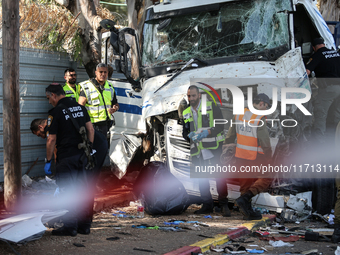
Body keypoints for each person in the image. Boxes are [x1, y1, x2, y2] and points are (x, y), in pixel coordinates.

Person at [42, 83, 107, 236]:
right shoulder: (80, 107)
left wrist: (48, 161)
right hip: (83, 156)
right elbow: (90, 129)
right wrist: (89, 149)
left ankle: (70, 227)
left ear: (53, 95)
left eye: (48, 98)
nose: (49, 101)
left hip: (67, 158)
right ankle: (84, 226)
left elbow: (51, 139)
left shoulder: (55, 112)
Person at [182, 85, 230, 216]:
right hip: (197, 150)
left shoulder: (211, 106)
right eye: (188, 96)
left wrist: (208, 132)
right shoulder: (186, 112)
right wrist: (188, 136)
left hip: (213, 148)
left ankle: (224, 205)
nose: (190, 98)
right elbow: (184, 131)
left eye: (193, 95)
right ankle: (207, 205)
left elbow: (221, 125)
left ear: (199, 96)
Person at [224, 93, 273, 220]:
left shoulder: (239, 114)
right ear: (261, 103)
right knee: (267, 178)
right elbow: (265, 141)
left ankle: (247, 211)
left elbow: (230, 136)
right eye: (266, 107)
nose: (266, 110)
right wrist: (269, 157)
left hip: (240, 155)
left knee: (245, 184)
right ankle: (245, 199)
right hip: (254, 157)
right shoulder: (259, 117)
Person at [306, 37, 340, 142]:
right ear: (324, 44)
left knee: (321, 113)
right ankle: (331, 140)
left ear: (313, 47)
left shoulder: (317, 55)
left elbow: (307, 72)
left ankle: (319, 141)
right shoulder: (336, 53)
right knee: (335, 114)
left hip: (328, 89)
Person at [78, 63, 119, 136]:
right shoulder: (87, 86)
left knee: (104, 147)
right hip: (92, 125)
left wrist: (115, 108)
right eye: (101, 72)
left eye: (105, 72)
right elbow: (80, 107)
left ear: (107, 73)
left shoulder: (109, 86)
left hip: (105, 125)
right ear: (96, 73)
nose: (103, 74)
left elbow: (115, 103)